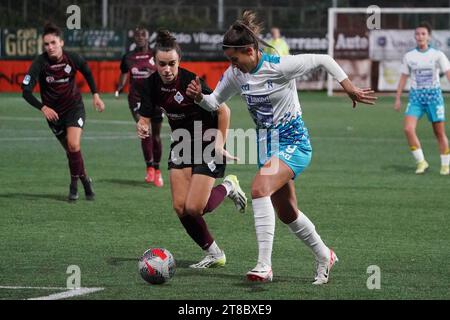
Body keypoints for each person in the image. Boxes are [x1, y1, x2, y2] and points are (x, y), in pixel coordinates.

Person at [187, 11, 376, 284]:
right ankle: (325, 255)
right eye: (229, 60)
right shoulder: (235, 75)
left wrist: (348, 87)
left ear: (250, 51)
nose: (232, 65)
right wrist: (199, 98)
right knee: (287, 212)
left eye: (234, 59)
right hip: (266, 147)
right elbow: (215, 102)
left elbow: (324, 59)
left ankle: (264, 265)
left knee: (258, 188)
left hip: (294, 142)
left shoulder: (280, 66)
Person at [136, 30, 248, 268]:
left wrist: (219, 143)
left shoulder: (191, 82)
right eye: (162, 64)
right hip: (182, 143)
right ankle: (215, 254)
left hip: (208, 141)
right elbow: (144, 117)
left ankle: (228, 185)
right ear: (154, 62)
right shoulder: (150, 84)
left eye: (172, 64)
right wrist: (142, 125)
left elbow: (223, 111)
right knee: (181, 208)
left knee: (195, 207)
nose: (167, 69)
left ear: (179, 62)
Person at [22, 22, 105, 201]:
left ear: (61, 43)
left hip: (74, 109)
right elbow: (26, 91)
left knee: (74, 145)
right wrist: (43, 107)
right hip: (54, 115)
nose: (50, 47)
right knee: (71, 152)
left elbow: (87, 71)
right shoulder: (40, 62)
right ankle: (85, 182)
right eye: (46, 44)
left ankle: (73, 186)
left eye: (53, 43)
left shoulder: (72, 58)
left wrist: (96, 94)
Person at [394, 22, 450, 175]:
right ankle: (421, 162)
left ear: (429, 37)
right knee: (408, 129)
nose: (420, 36)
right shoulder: (409, 56)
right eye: (417, 34)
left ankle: (445, 164)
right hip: (416, 99)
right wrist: (398, 97)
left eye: (423, 34)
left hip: (434, 98)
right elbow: (403, 77)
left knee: (439, 133)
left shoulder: (438, 55)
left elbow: (448, 73)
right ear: (414, 36)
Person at [116, 26, 164, 186]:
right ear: (134, 38)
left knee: (156, 135)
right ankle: (149, 168)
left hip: (156, 99)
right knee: (144, 131)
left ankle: (157, 170)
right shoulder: (128, 57)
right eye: (137, 35)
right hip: (137, 99)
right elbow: (124, 73)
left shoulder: (156, 54)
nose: (140, 37)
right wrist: (120, 87)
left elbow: (166, 70)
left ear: (148, 37)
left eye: (143, 34)